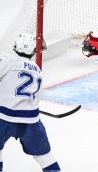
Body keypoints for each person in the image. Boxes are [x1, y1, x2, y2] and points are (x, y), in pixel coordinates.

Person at [0, 33, 60, 171]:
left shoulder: (6, 59)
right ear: (33, 51)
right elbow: (38, 97)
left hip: (3, 118)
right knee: (45, 157)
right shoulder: (36, 69)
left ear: (15, 46)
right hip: (31, 121)